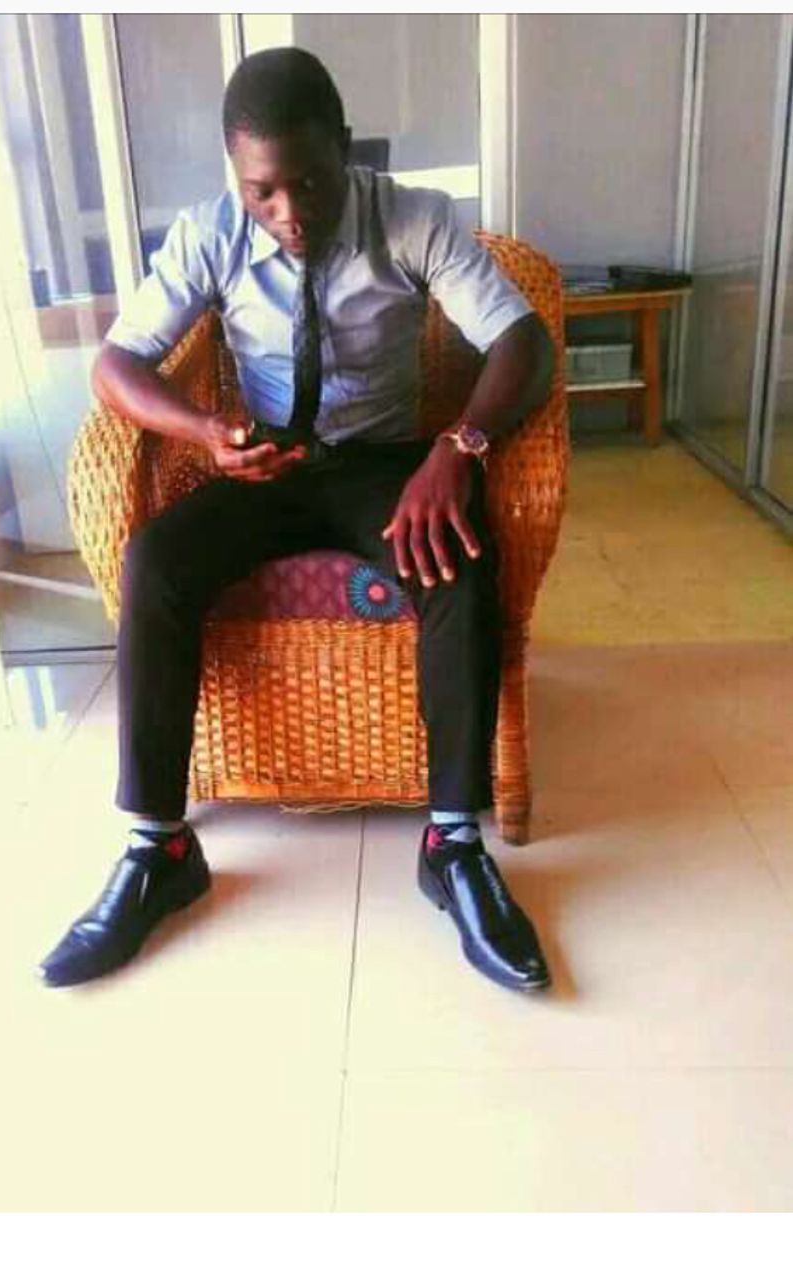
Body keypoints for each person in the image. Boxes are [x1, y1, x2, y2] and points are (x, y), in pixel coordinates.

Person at [39, 47, 556, 993]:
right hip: (265, 464)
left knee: (457, 557)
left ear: (344, 148)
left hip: (382, 466)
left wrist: (458, 449)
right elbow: (116, 365)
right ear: (236, 177)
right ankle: (160, 850)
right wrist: (204, 433)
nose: (288, 212)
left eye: (309, 183)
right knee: (157, 559)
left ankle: (451, 845)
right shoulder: (208, 234)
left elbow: (521, 341)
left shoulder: (413, 218)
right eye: (262, 192)